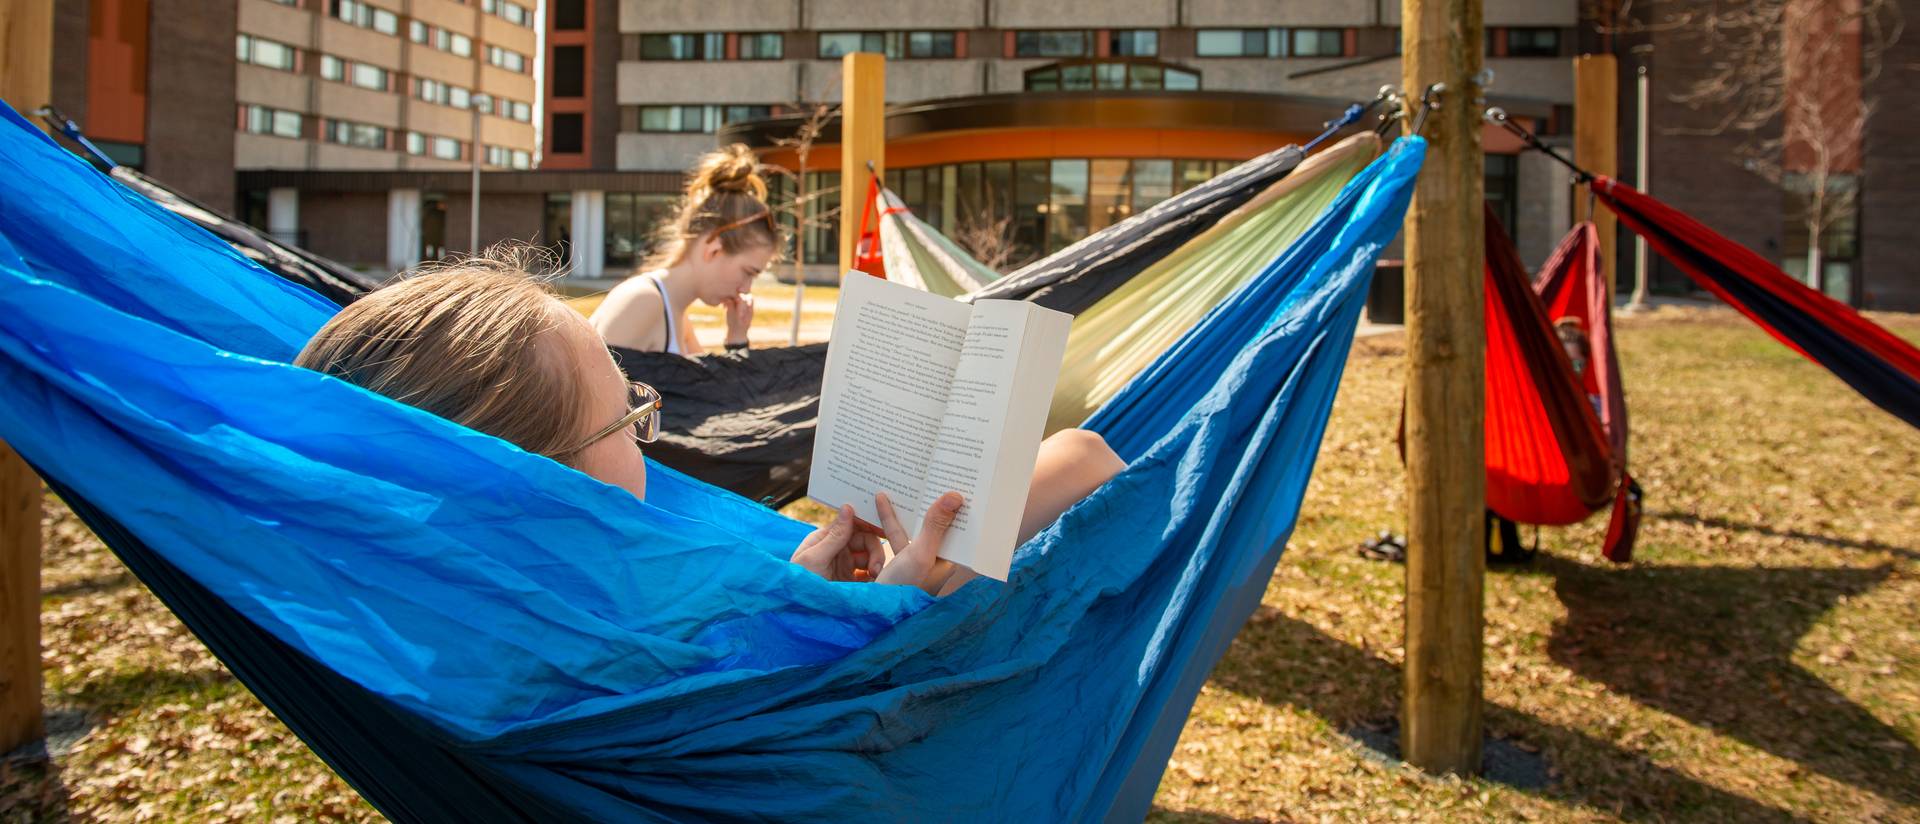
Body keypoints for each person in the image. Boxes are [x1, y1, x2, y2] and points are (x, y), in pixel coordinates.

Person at [295, 253, 1125, 595]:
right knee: (1084, 455)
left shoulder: (491, 605)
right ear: (539, 480)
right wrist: (869, 625)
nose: (648, 443)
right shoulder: (615, 654)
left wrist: (798, 589)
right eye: (629, 417)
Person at [590, 144, 772, 356]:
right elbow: (587, 388)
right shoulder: (641, 302)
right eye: (748, 272)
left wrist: (737, 337)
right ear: (713, 250)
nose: (746, 289)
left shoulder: (678, 317)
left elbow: (714, 388)